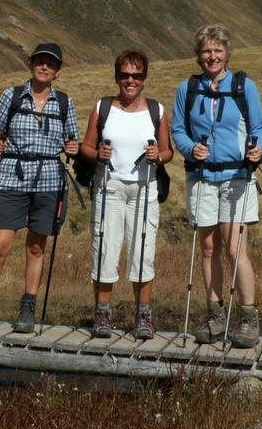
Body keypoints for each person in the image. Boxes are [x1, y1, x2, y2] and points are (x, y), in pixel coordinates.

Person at [0, 43, 79, 333]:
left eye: (51, 64)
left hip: (49, 182)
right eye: (40, 62)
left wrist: (74, 147)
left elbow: (73, 143)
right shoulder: (12, 95)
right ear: (30, 64)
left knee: (36, 248)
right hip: (11, 179)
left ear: (58, 71)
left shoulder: (65, 102)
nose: (45, 67)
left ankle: (27, 309)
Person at [171, 24, 262, 348]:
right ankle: (214, 317)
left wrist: (258, 148)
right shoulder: (188, 88)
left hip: (237, 176)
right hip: (201, 177)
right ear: (198, 55)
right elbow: (179, 130)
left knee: (234, 248)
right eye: (206, 51)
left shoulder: (244, 86)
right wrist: (189, 148)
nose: (211, 56)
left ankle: (248, 319)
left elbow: (259, 127)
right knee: (209, 248)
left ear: (227, 53)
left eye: (217, 50)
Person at [80, 49, 173, 340]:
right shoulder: (103, 107)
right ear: (117, 77)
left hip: (145, 190)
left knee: (143, 251)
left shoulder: (157, 111)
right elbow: (85, 147)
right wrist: (98, 154)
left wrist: (158, 154)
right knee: (105, 248)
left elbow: (168, 152)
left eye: (136, 75)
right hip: (109, 188)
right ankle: (103, 313)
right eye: (125, 75)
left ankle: (143, 315)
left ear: (144, 78)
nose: (130, 80)